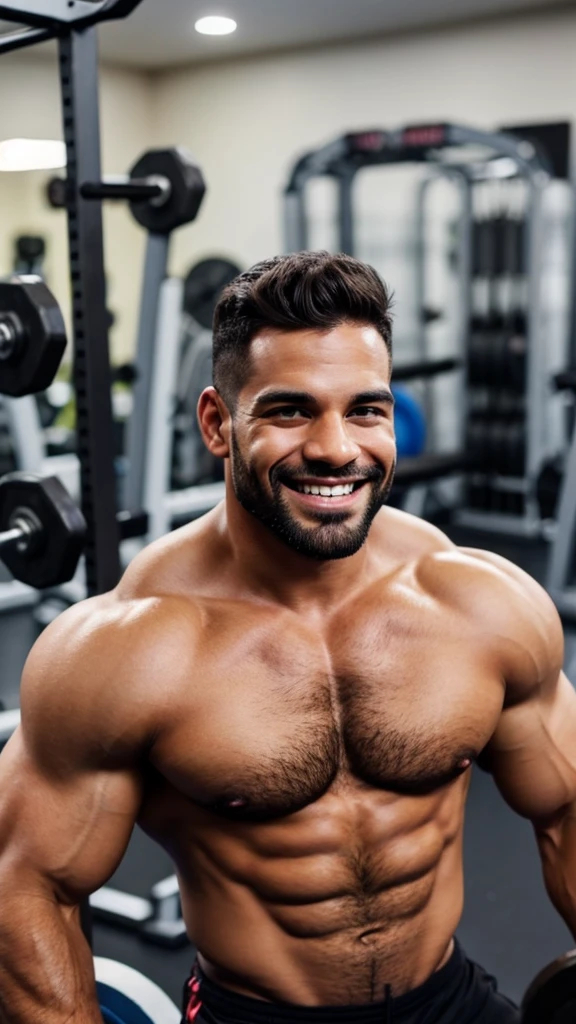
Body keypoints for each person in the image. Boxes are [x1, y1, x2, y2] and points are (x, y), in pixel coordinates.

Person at [0, 251, 575, 1024]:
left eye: (365, 410)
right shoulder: (127, 648)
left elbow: (567, 811)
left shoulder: (478, 602)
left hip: (450, 1000)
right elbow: (24, 885)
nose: (337, 449)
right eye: (290, 410)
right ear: (217, 423)